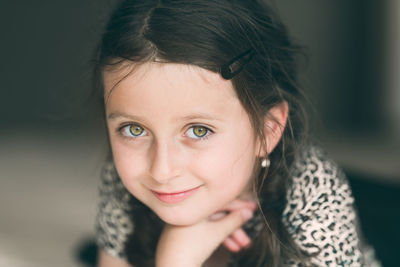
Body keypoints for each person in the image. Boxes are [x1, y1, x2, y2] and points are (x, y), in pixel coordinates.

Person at [93, 0, 380, 266]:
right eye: (134, 129)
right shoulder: (127, 180)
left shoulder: (314, 196)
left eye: (198, 130)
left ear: (267, 130)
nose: (161, 170)